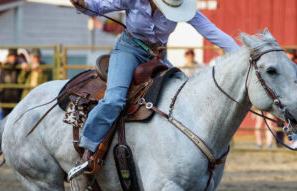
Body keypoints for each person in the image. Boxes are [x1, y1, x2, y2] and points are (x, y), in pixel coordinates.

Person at [68, 0, 239, 179]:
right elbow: (99, 7)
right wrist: (83, 4)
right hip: (129, 51)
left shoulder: (180, 4)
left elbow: (211, 31)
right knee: (114, 99)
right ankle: (87, 150)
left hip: (158, 56)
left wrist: (242, 53)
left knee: (184, 97)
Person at [0, 49, 22, 117]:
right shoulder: (4, 66)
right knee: (6, 117)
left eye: (14, 56)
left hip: (16, 96)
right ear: (8, 57)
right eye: (11, 56)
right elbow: (1, 80)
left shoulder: (19, 65)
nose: (13, 58)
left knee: (16, 117)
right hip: (6, 96)